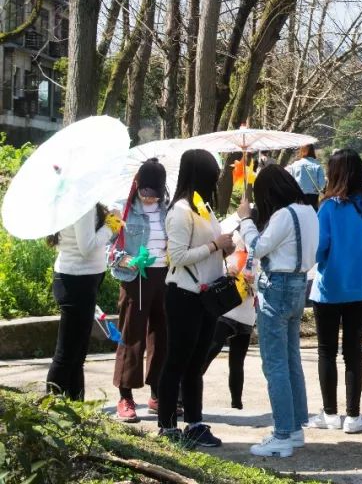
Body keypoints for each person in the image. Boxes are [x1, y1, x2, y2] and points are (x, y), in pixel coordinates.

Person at [238, 164, 319, 458]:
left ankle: (282, 433)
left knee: (275, 363)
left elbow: (258, 247)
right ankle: (295, 427)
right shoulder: (309, 210)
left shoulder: (285, 214)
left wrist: (246, 220)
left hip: (278, 286)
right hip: (299, 285)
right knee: (290, 358)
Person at [157, 149, 235, 448]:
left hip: (206, 296)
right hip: (183, 295)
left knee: (196, 361)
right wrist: (215, 245)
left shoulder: (204, 207)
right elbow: (177, 257)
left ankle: (195, 422)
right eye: (214, 173)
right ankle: (167, 425)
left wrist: (225, 246)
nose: (217, 178)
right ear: (200, 173)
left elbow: (210, 246)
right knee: (177, 360)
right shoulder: (180, 211)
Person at [307, 149, 362, 434]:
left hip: (328, 289)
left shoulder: (327, 208)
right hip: (360, 287)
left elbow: (318, 250)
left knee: (326, 351)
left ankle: (329, 415)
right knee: (353, 351)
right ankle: (353, 417)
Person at [112, 159, 170, 422]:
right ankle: (125, 396)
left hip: (165, 276)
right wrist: (128, 260)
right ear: (137, 186)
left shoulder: (168, 211)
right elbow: (110, 249)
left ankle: (158, 392)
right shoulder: (123, 211)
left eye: (154, 193)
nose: (149, 198)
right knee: (131, 333)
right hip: (135, 277)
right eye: (144, 192)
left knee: (162, 335)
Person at [46, 204, 113, 400]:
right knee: (67, 354)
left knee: (76, 355)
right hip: (77, 282)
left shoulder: (78, 201)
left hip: (78, 279)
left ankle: (76, 408)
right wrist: (110, 225)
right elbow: (87, 247)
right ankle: (50, 410)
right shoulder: (82, 206)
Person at [201, 243, 256, 411]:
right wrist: (229, 272)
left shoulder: (262, 258)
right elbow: (217, 276)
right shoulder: (233, 252)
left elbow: (263, 287)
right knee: (211, 351)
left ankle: (237, 402)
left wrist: (254, 282)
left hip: (246, 314)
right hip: (226, 311)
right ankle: (183, 394)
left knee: (237, 361)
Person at [288, 144, 326, 209]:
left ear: (301, 151)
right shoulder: (317, 165)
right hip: (313, 197)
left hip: (298, 196)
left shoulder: (294, 165)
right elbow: (322, 185)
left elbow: (290, 182)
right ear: (312, 151)